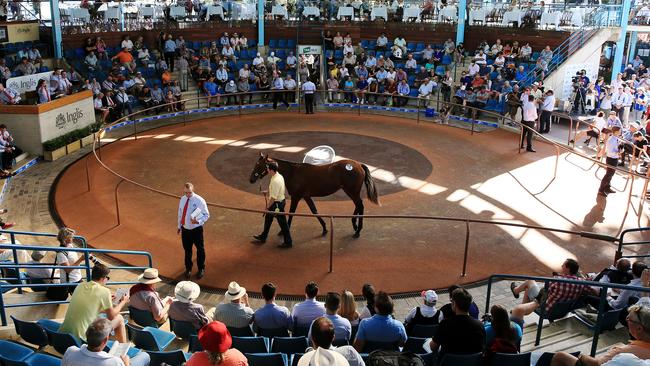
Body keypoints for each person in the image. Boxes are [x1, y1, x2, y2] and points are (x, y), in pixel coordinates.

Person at [550, 304, 650, 366]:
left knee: (560, 356)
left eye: (629, 319)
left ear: (639, 328)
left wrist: (583, 357)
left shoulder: (624, 353)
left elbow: (597, 364)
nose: (626, 320)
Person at [60, 263, 129, 343]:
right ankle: (122, 352)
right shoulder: (104, 291)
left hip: (63, 334)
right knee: (120, 318)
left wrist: (105, 300)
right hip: (82, 339)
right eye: (108, 278)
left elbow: (89, 307)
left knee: (98, 317)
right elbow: (112, 316)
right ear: (103, 278)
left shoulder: (80, 285)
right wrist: (123, 302)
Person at [510, 258, 587, 320]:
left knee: (530, 282)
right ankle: (520, 310)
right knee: (528, 289)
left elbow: (544, 291)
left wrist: (557, 277)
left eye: (563, 265)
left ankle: (517, 295)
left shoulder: (558, 280)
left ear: (568, 269)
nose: (561, 266)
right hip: (562, 312)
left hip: (545, 310)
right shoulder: (582, 283)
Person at [61, 318, 151, 366]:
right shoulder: (115, 362)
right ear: (105, 340)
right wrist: (126, 363)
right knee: (145, 356)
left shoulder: (70, 351)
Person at [428, 288, 485, 358]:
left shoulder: (445, 324)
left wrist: (432, 340)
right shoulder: (480, 325)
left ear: (454, 304)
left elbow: (433, 347)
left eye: (452, 301)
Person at [252, 161, 292, 247]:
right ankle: (263, 236)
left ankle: (288, 242)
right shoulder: (278, 176)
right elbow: (276, 190)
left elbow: (273, 198)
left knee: (283, 223)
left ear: (271, 170)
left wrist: (267, 207)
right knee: (268, 219)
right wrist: (268, 191)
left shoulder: (275, 181)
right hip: (280, 201)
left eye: (268, 169)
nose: (267, 170)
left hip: (277, 204)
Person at [177, 182, 210, 280]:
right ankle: (188, 269)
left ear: (193, 190)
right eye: (186, 192)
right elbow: (180, 213)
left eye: (189, 193)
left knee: (200, 249)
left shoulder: (200, 200)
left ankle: (201, 269)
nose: (187, 195)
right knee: (187, 250)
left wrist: (198, 221)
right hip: (185, 230)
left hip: (196, 230)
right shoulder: (182, 199)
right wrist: (179, 226)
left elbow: (207, 215)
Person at [598, 126, 622, 197]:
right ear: (616, 132)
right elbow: (610, 152)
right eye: (620, 131)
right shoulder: (611, 140)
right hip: (611, 159)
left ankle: (607, 187)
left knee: (611, 174)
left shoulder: (616, 139)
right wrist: (618, 152)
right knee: (608, 175)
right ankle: (601, 190)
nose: (620, 132)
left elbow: (618, 147)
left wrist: (621, 149)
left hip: (615, 159)